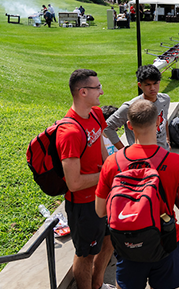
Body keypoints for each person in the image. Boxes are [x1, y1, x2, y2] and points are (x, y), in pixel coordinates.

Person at [95, 100, 179, 289]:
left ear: (129, 125)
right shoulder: (176, 162)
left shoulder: (112, 163)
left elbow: (101, 210)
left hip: (128, 244)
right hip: (165, 242)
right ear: (159, 121)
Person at [57, 69, 113, 289]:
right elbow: (74, 183)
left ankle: (98, 284)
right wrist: (107, 174)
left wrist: (110, 171)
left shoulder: (96, 113)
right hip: (83, 205)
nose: (101, 91)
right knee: (85, 255)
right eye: (96, 87)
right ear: (82, 92)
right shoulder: (69, 132)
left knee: (109, 241)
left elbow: (101, 148)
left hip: (103, 195)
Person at [105, 65, 170, 150]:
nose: (152, 88)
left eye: (155, 83)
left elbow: (165, 120)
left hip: (163, 152)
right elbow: (108, 127)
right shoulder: (130, 107)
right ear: (140, 85)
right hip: (142, 157)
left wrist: (167, 140)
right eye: (148, 85)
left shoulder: (165, 99)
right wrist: (123, 150)